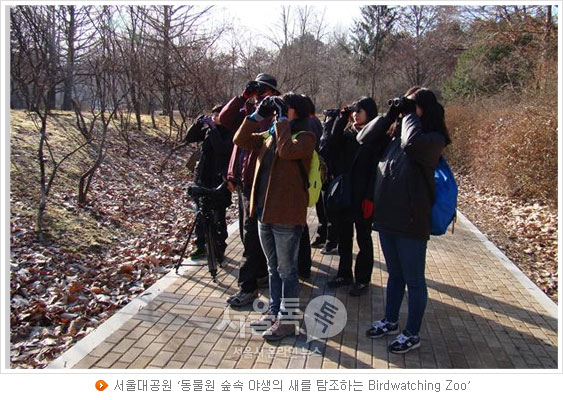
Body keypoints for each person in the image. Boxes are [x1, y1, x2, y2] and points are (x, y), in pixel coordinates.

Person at [358, 87, 451, 353]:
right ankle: (390, 320)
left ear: (425, 109)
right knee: (395, 275)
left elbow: (412, 145)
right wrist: (389, 116)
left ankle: (412, 333)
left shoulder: (433, 140)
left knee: (414, 280)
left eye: (412, 106)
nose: (406, 111)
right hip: (388, 218)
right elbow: (363, 138)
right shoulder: (396, 136)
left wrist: (408, 115)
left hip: (411, 222)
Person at [233, 92, 316, 341]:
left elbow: (287, 151)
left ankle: (287, 320)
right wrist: (257, 115)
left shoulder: (306, 137)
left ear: (296, 112)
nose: (280, 111)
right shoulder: (271, 135)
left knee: (287, 270)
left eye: (285, 107)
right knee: (273, 268)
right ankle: (274, 312)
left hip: (287, 216)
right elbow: (240, 139)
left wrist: (281, 121)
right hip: (264, 213)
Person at [219, 74, 280, 307]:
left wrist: (267, 110)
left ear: (273, 93)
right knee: (250, 235)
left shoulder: (275, 115)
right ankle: (260, 274)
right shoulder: (250, 111)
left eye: (264, 90)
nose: (259, 95)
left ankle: (248, 287)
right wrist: (243, 97)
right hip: (243, 182)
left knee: (252, 236)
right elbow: (225, 120)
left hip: (259, 184)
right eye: (257, 89)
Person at [325, 97, 380, 296]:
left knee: (364, 238)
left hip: (363, 195)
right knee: (344, 236)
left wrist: (370, 197)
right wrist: (342, 118)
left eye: (360, 111)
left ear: (369, 113)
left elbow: (376, 170)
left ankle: (363, 279)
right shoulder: (348, 134)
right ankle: (344, 274)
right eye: (354, 111)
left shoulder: (376, 136)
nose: (356, 115)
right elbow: (331, 144)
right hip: (345, 194)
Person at [185, 105, 233, 262]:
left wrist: (213, 129)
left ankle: (219, 247)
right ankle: (200, 246)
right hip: (202, 178)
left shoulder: (230, 131)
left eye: (219, 114)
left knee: (218, 216)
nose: (215, 117)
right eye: (214, 114)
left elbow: (222, 148)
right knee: (200, 213)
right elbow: (190, 138)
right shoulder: (208, 131)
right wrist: (197, 124)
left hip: (219, 180)